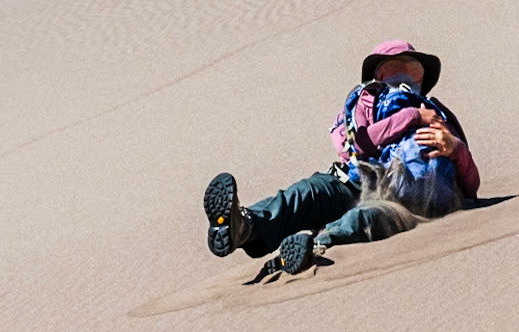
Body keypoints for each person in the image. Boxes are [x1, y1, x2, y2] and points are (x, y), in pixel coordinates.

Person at [202, 39, 481, 278]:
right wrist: (412, 117)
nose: (408, 77)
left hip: (402, 199)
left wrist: (456, 149)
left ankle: (312, 245)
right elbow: (360, 145)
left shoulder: (440, 114)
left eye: (415, 71)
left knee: (369, 217)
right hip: (353, 179)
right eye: (396, 68)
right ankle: (245, 225)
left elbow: (471, 187)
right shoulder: (366, 102)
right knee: (305, 194)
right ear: (380, 75)